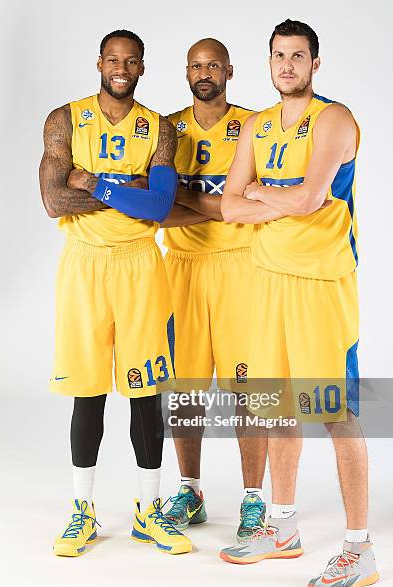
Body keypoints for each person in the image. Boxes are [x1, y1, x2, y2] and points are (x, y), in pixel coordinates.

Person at [219, 19, 379, 587]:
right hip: (266, 282)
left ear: (316, 63)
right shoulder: (257, 126)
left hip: (320, 284)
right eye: (279, 56)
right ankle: (282, 528)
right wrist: (268, 199)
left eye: (298, 56)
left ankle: (359, 548)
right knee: (275, 408)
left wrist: (261, 193)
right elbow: (227, 210)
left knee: (335, 413)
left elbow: (312, 198)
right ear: (268, 62)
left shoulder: (334, 119)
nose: (287, 65)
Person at [39, 29, 191, 556]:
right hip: (84, 266)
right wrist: (130, 192)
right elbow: (54, 202)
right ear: (100, 63)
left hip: (140, 267)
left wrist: (97, 184)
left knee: (146, 389)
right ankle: (82, 510)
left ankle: (148, 512)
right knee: (88, 388)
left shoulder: (161, 129)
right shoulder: (64, 119)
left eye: (131, 61)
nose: (120, 68)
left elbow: (159, 208)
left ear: (143, 67)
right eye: (113, 60)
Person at [161, 38, 267, 542]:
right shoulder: (166, 128)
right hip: (181, 265)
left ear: (229, 70)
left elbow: (250, 203)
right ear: (186, 73)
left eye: (213, 65)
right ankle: (190, 490)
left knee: (247, 389)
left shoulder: (252, 125)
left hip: (239, 265)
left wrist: (193, 201)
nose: (205, 73)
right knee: (184, 389)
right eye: (196, 66)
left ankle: (253, 498)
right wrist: (217, 204)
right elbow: (158, 207)